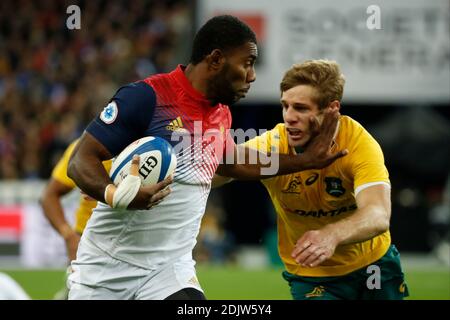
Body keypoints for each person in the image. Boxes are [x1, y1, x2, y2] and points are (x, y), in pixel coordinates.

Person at [67, 15, 346, 300]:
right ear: (216, 60)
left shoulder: (221, 112)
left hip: (168, 271)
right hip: (107, 270)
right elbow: (80, 161)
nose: (252, 76)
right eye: (247, 63)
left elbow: (232, 162)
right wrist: (116, 194)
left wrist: (306, 159)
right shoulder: (147, 97)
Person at [240, 59, 409, 300]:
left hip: (374, 264)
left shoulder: (358, 144)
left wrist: (331, 235)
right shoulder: (274, 144)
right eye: (285, 106)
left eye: (301, 108)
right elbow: (218, 170)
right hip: (312, 274)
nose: (289, 117)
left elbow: (378, 214)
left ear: (331, 109)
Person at [40, 139, 112, 298]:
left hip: (133, 241)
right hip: (88, 243)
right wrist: (68, 235)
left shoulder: (146, 147)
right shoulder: (84, 147)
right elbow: (49, 195)